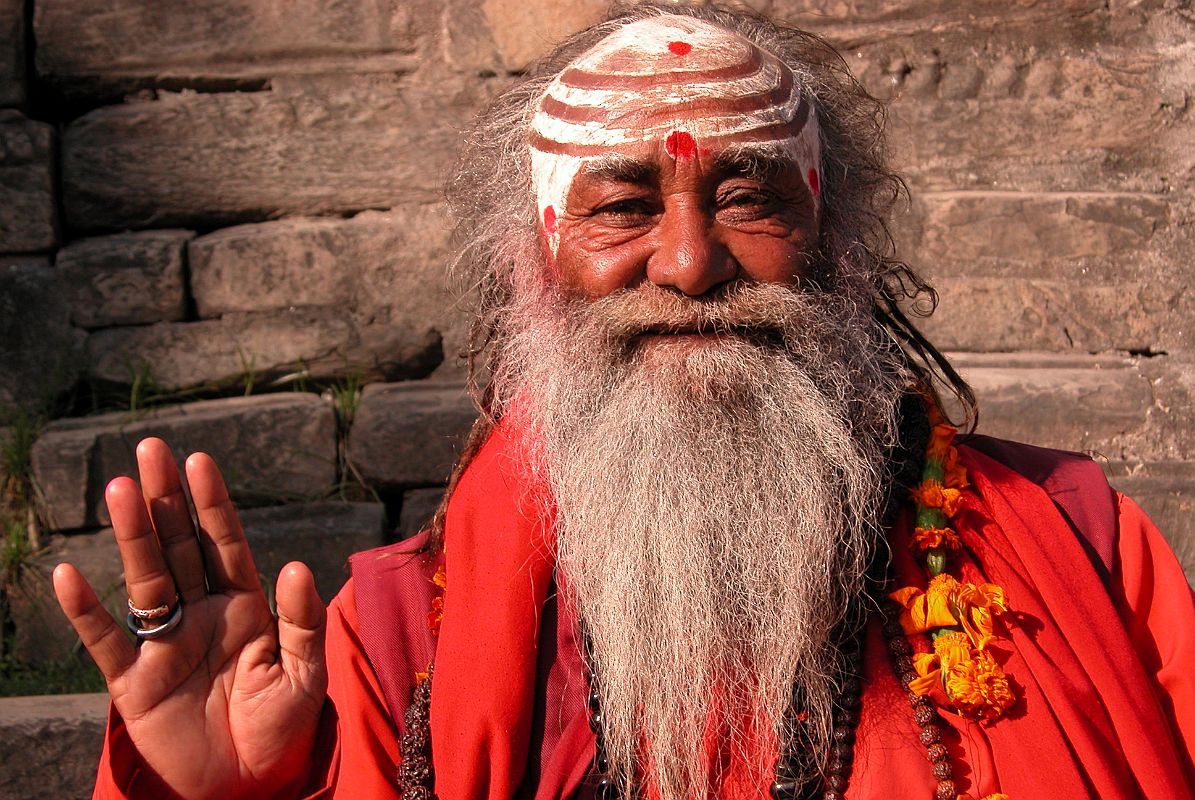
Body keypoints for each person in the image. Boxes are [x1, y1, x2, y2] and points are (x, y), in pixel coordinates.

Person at [54, 4, 1195, 799]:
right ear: (534, 265)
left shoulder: (1080, 544)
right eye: (620, 207)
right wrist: (240, 790)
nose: (691, 263)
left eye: (746, 195)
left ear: (832, 243)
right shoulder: (396, 637)